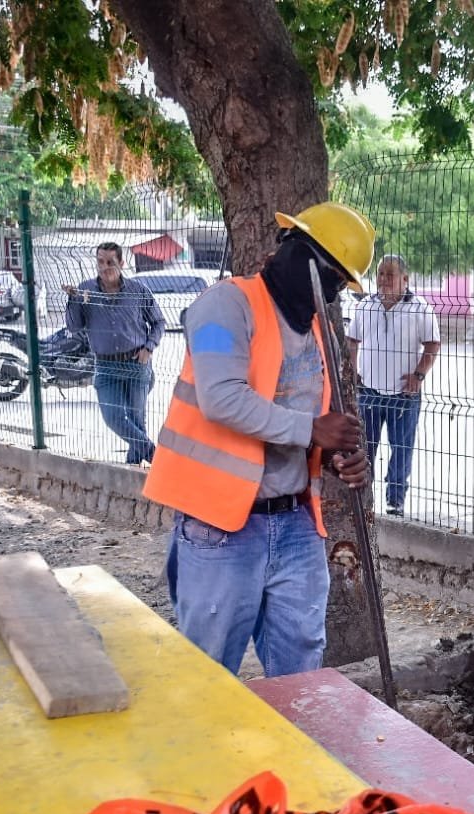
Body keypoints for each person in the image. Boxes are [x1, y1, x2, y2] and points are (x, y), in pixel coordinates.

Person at [142, 202, 374, 677]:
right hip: (221, 528)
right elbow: (221, 398)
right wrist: (312, 429)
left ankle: (287, 751)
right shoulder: (223, 306)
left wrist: (330, 454)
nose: (327, 291)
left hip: (294, 524)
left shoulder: (315, 329)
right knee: (209, 673)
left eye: (337, 283)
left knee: (300, 670)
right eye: (326, 274)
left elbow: (300, 415)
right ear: (291, 249)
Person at [345, 254, 441, 516]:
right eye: (381, 274)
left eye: (390, 274)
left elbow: (433, 344)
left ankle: (395, 502)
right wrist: (354, 371)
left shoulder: (420, 308)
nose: (384, 280)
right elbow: (352, 341)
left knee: (401, 450)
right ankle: (364, 501)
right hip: (370, 393)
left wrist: (418, 376)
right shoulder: (365, 306)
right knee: (365, 448)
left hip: (404, 396)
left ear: (405, 279)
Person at [64, 242, 166, 465]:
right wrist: (73, 299)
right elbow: (73, 327)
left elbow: (158, 322)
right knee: (114, 418)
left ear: (122, 263)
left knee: (137, 420)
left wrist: (149, 348)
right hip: (105, 366)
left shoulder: (138, 291)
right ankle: (155, 456)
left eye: (110, 262)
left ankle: (133, 470)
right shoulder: (86, 290)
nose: (105, 267)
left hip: (136, 364)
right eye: (100, 262)